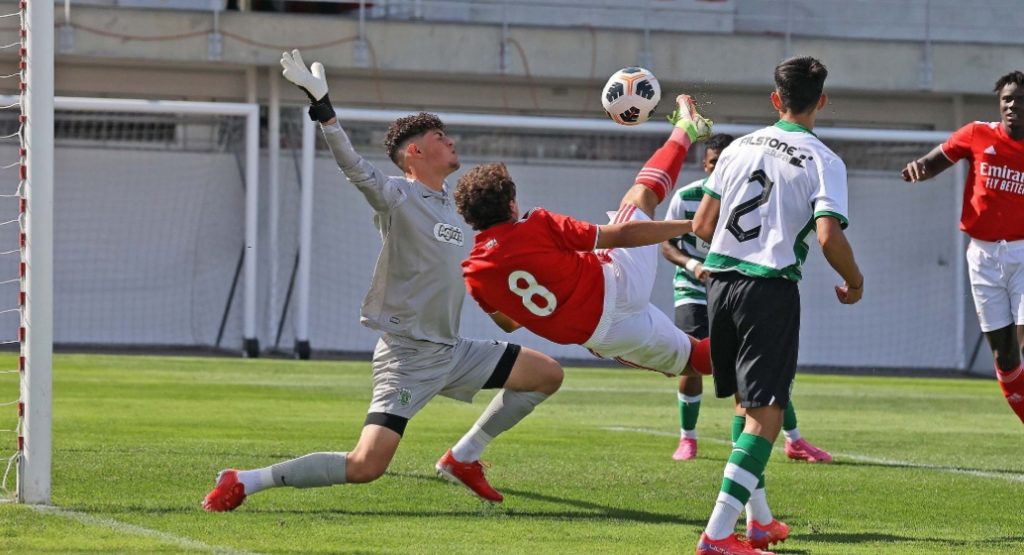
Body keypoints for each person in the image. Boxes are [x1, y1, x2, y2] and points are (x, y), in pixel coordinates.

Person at [202, 50, 564, 512]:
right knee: (365, 466)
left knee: (546, 375)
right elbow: (354, 167)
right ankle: (247, 480)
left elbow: (471, 271)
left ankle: (463, 457)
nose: (450, 141)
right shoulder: (398, 194)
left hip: (451, 349)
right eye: (439, 136)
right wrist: (324, 109)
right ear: (415, 152)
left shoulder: (453, 205)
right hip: (409, 356)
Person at [691, 56, 863, 555]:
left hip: (719, 282)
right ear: (822, 101)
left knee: (747, 403)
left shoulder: (737, 147)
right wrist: (854, 281)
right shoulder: (824, 159)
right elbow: (829, 236)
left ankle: (759, 522)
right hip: (767, 287)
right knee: (768, 413)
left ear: (775, 99)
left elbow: (702, 227)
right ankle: (718, 536)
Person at [454, 95, 715, 379]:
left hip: (606, 336)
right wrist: (691, 224)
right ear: (511, 204)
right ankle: (687, 128)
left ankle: (756, 354)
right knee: (641, 196)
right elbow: (620, 236)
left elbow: (509, 324)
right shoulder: (536, 225)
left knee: (697, 359)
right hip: (619, 284)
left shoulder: (473, 274)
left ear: (469, 217)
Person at [663, 134, 832, 464]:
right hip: (694, 287)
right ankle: (688, 438)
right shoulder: (688, 197)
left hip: (735, 286)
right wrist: (694, 264)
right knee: (695, 355)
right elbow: (667, 245)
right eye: (713, 162)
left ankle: (790, 440)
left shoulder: (754, 193)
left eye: (723, 161)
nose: (719, 167)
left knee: (755, 365)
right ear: (707, 164)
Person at [901, 70, 1024, 424]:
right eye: (1006, 99)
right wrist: (918, 169)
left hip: (1022, 253)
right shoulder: (977, 133)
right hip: (983, 256)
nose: (1012, 105)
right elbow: (934, 160)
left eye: (1019, 99)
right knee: (1005, 359)